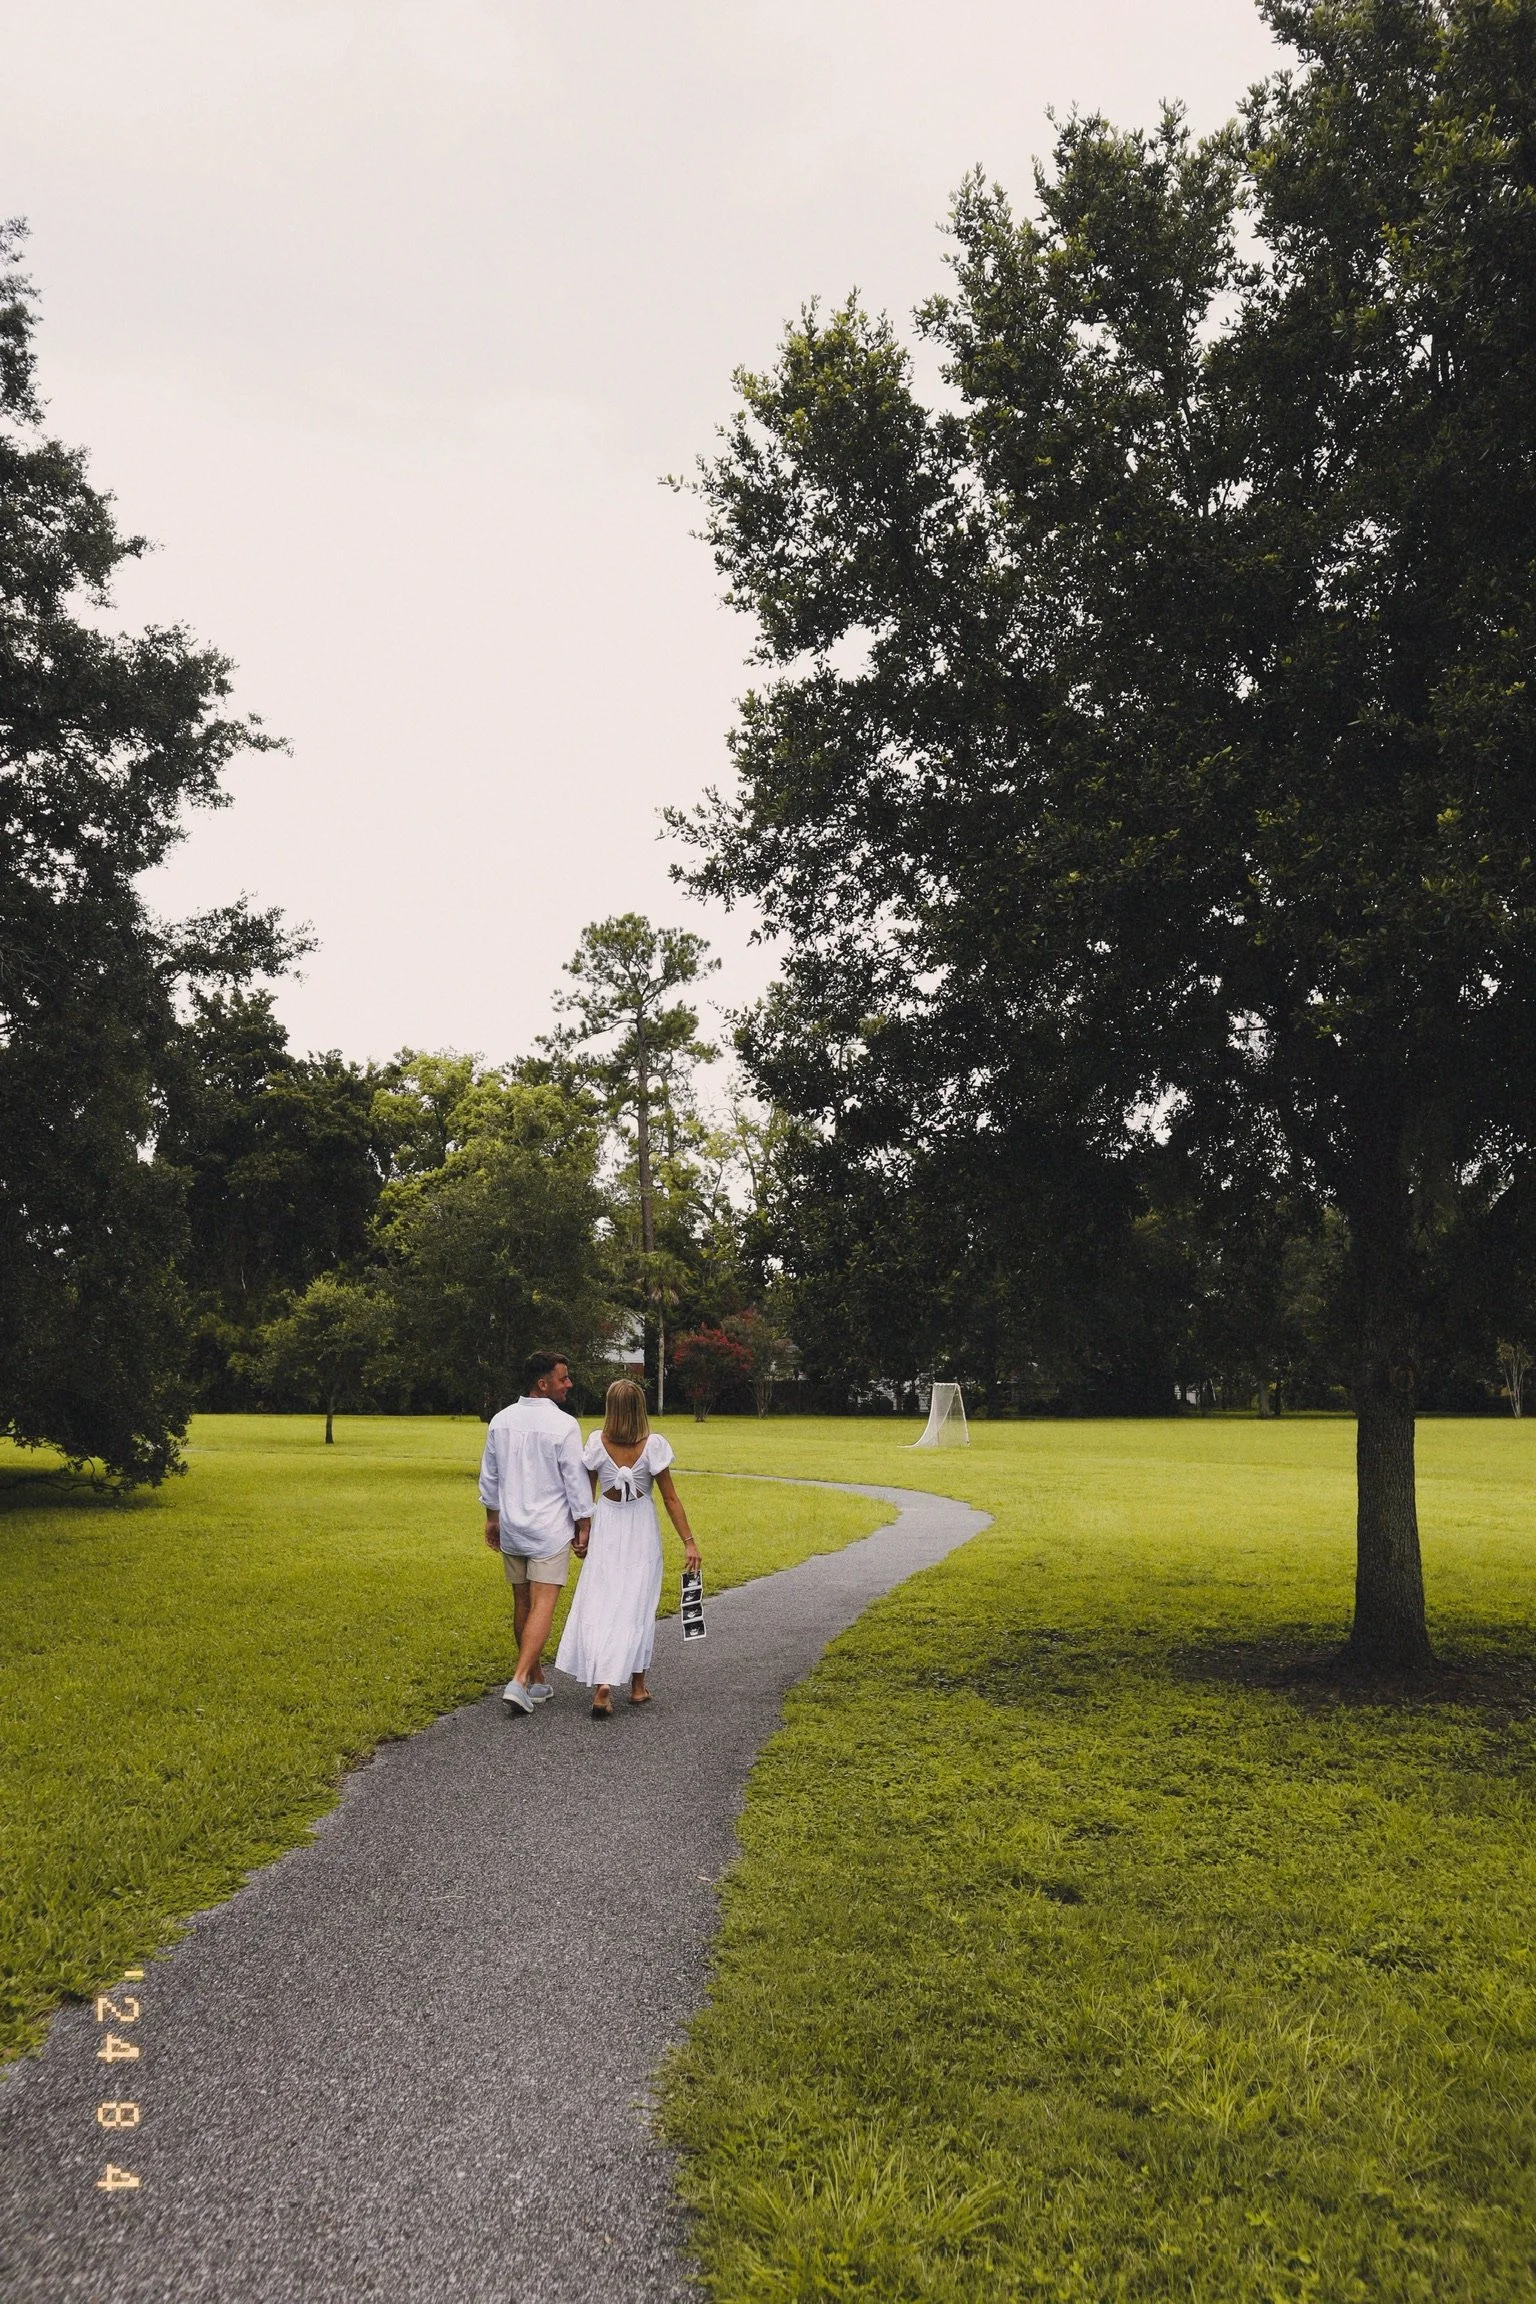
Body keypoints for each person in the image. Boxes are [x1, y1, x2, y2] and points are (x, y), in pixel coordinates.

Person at [555, 1378, 701, 1719]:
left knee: (603, 1602)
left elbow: (584, 1497)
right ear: (640, 1408)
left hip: (606, 1526)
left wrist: (581, 1534)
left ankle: (602, 1683)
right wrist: (689, 1542)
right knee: (637, 1603)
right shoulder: (653, 1445)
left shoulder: (595, 1442)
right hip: (640, 1530)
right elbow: (670, 1498)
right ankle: (637, 1687)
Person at [480, 1351, 592, 1717]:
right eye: (563, 1378)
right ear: (543, 1384)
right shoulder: (564, 1425)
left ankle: (535, 1679)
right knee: (543, 1605)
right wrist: (585, 1523)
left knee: (522, 1604)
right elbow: (576, 1482)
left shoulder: (500, 1421)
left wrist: (491, 1518)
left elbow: (490, 1476)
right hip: (548, 1530)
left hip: (513, 1527)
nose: (569, 1384)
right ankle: (517, 1681)